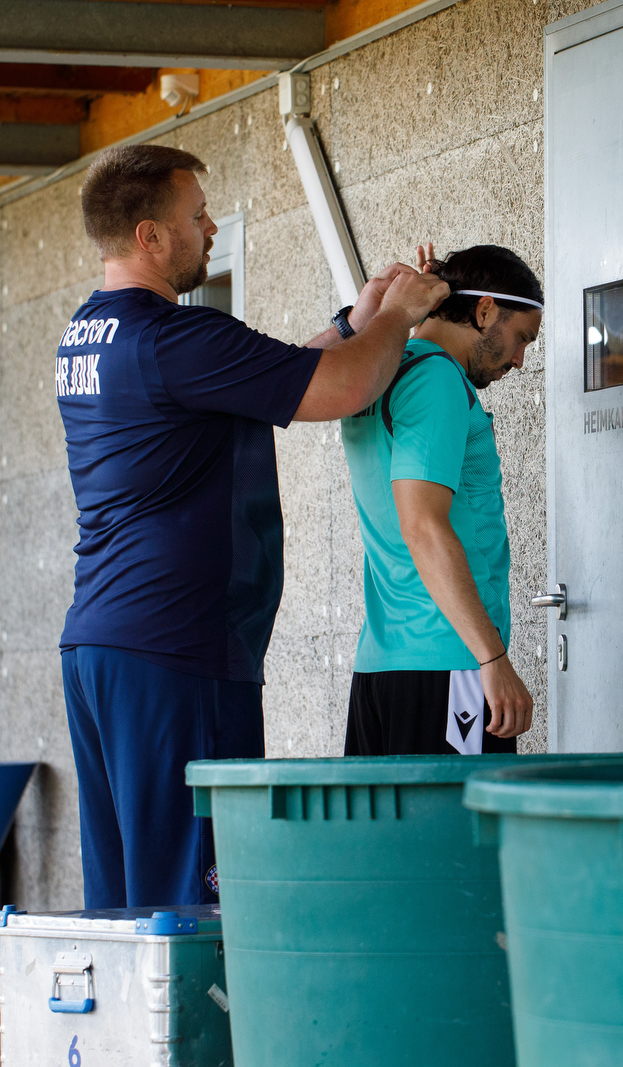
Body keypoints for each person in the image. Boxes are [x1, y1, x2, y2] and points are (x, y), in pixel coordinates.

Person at [56, 143, 449, 909]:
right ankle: (200, 1034)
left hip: (103, 646)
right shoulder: (172, 338)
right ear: (149, 236)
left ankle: (132, 1033)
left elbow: (278, 371)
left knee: (123, 899)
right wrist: (401, 316)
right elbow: (342, 387)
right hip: (177, 652)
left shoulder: (90, 334)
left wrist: (356, 318)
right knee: (193, 898)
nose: (209, 227)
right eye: (195, 215)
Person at [339, 244, 543, 755]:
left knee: (388, 836)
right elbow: (423, 525)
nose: (519, 361)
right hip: (447, 663)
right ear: (485, 309)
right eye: (522, 338)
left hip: (382, 668)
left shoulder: (376, 370)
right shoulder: (436, 379)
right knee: (455, 837)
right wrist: (492, 660)